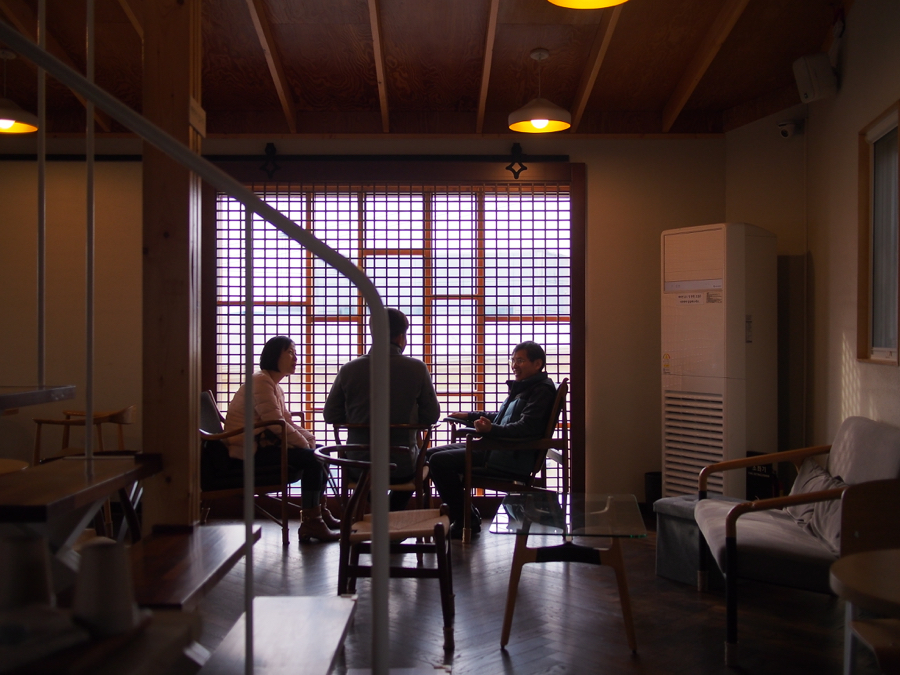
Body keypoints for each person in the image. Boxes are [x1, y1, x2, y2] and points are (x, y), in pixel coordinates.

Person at [426, 341, 557, 539]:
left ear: (537, 364)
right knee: (429, 455)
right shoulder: (526, 387)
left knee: (438, 461)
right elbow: (502, 417)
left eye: (520, 360)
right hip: (498, 449)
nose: (514, 365)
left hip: (507, 455)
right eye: (513, 360)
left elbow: (526, 428)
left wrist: (491, 430)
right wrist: (470, 415)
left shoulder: (541, 391)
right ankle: (467, 514)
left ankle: (465, 518)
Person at [323, 308, 441, 511]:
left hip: (358, 465)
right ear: (401, 336)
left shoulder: (349, 369)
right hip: (401, 467)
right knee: (423, 462)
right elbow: (431, 416)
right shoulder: (417, 368)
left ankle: (374, 514)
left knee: (367, 473)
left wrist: (358, 416)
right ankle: (391, 513)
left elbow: (330, 414)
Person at [225, 335, 340, 543]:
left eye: (295, 353)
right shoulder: (260, 382)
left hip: (262, 445)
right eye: (290, 353)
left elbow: (285, 421)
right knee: (314, 458)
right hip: (249, 450)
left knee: (321, 451)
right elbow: (275, 423)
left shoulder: (272, 384)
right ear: (274, 356)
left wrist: (310, 440)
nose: (295, 358)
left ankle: (319, 512)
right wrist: (305, 445)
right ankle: (312, 521)